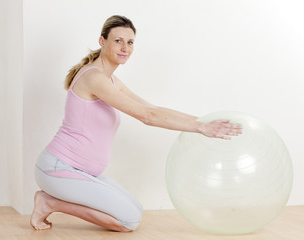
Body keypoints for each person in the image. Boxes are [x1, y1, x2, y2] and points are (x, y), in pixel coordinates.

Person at [30, 15, 242, 232]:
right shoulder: (95, 79)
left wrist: (202, 122)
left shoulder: (109, 79)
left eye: (130, 42)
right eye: (118, 41)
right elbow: (147, 116)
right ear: (102, 41)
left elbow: (152, 108)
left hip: (81, 172)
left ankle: (51, 201)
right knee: (128, 221)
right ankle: (49, 202)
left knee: (136, 210)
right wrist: (201, 128)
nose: (125, 48)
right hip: (59, 169)